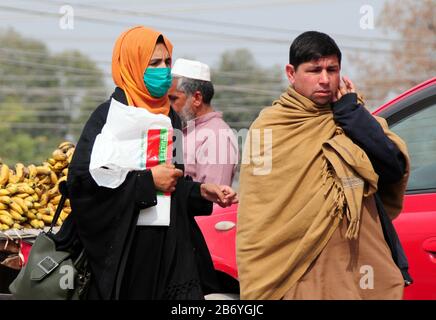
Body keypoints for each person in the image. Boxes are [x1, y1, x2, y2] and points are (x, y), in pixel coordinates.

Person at [55, 26, 237, 300]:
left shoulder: (170, 119)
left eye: (167, 62)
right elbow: (81, 185)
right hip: (124, 256)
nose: (163, 70)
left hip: (168, 253)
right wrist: (145, 182)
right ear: (132, 65)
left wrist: (201, 190)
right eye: (154, 63)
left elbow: (172, 184)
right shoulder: (108, 118)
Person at [236, 31, 412, 300]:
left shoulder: (352, 116)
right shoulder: (270, 128)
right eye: (314, 70)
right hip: (295, 270)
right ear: (291, 73)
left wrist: (351, 115)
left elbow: (392, 168)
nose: (325, 79)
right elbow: (257, 212)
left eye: (332, 69)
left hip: (357, 265)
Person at [168, 58, 238, 186]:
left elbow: (214, 200)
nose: (168, 105)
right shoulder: (182, 130)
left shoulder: (217, 137)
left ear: (197, 98)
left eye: (173, 99)